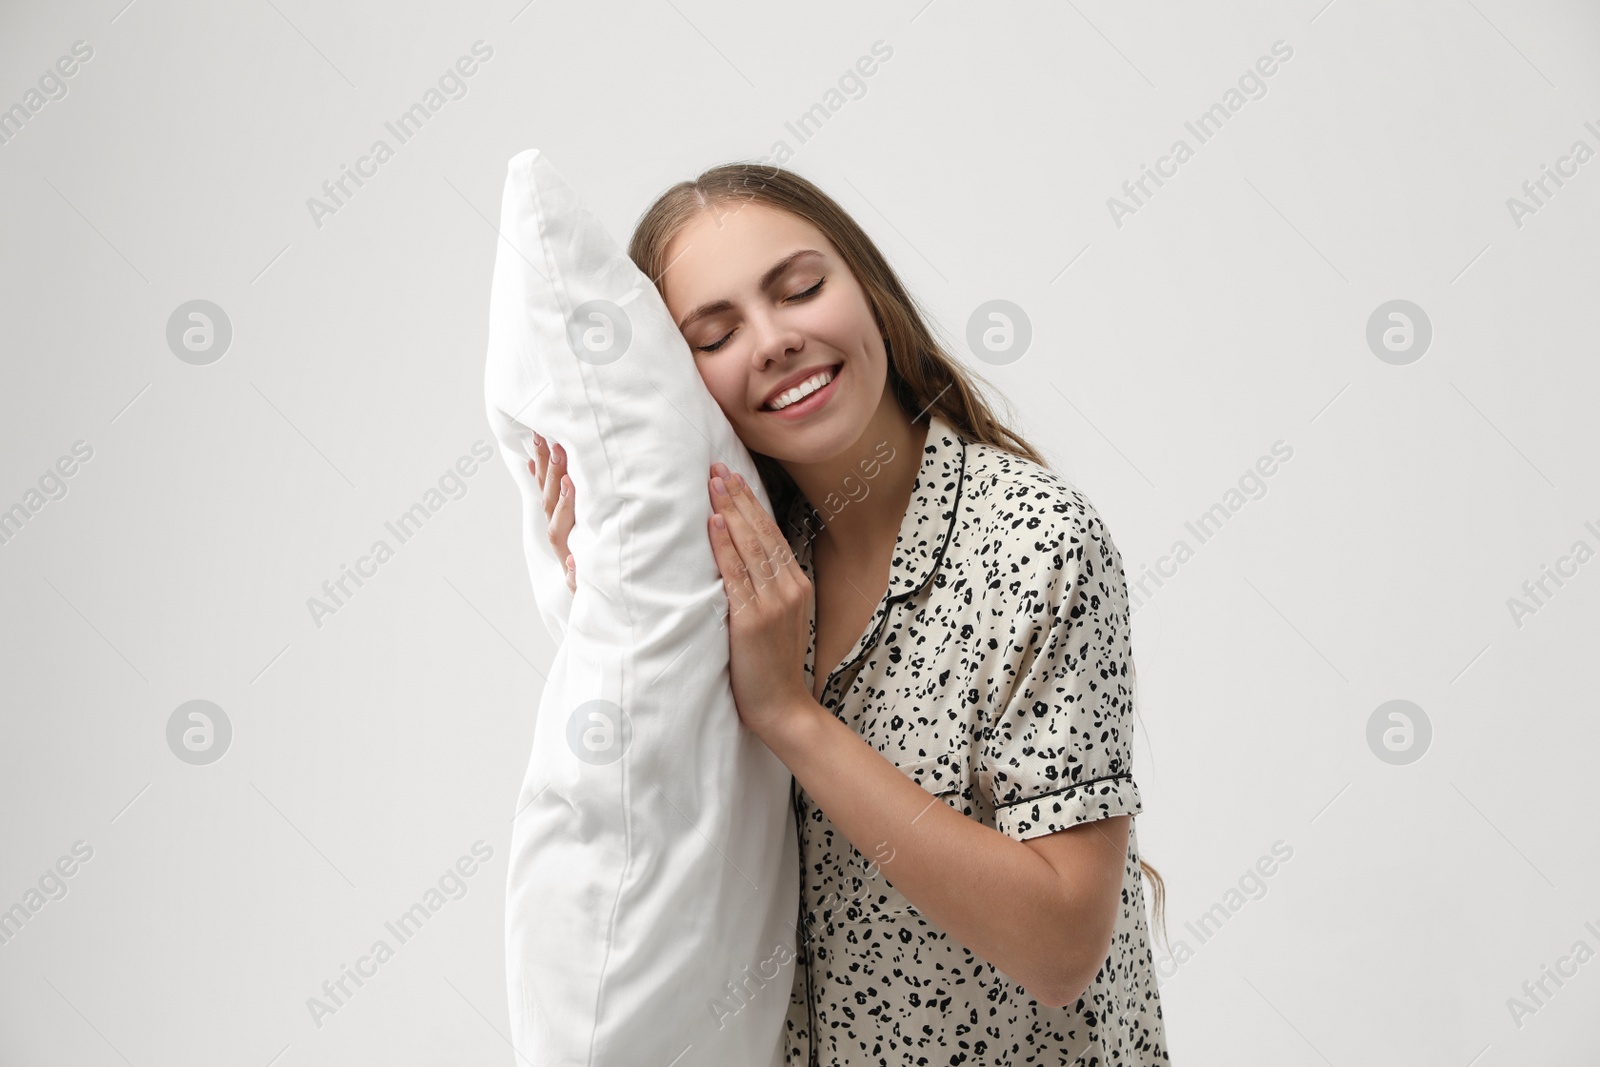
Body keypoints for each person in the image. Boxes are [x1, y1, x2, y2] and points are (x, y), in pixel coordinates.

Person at [525, 163, 1171, 1065]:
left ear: (867, 289)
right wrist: (598, 604)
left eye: (799, 290)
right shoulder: (738, 567)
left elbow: (1063, 945)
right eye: (715, 335)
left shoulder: (1034, 542)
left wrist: (792, 717)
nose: (774, 340)